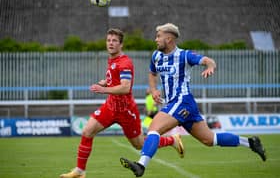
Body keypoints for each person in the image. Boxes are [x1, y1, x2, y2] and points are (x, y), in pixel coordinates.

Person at [120, 23, 266, 177]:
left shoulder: (184, 55)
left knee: (154, 129)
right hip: (176, 104)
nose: (156, 39)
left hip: (182, 101)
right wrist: (154, 89)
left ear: (169, 39)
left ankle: (141, 165)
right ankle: (250, 143)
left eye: (159, 36)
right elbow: (152, 73)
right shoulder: (156, 56)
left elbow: (208, 60)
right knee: (210, 139)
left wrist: (210, 66)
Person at [60, 28, 184, 178]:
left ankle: (172, 140)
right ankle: (80, 171)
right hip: (111, 106)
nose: (110, 43)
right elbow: (116, 78)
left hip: (126, 110)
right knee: (87, 131)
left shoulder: (124, 63)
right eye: (108, 40)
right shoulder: (112, 59)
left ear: (121, 45)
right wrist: (106, 82)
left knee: (139, 144)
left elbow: (125, 87)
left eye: (114, 41)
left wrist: (102, 89)